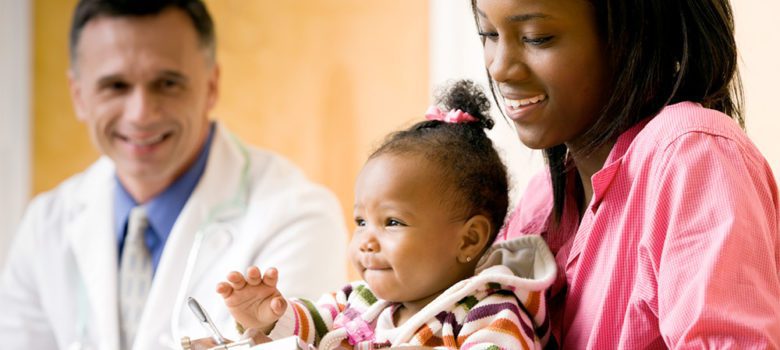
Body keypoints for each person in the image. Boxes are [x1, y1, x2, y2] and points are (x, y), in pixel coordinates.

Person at [0, 1, 347, 349]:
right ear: (79, 96)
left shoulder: (299, 218)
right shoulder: (45, 223)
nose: (140, 115)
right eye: (116, 86)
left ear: (211, 86)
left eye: (167, 83)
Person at [471, 0, 780, 347]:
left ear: (635, 38)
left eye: (537, 37)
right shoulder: (541, 202)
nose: (499, 68)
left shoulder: (692, 156)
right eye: (489, 33)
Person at [213, 81, 558, 349]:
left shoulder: (490, 315)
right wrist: (268, 317)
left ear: (468, 238)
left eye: (392, 222)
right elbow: (311, 326)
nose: (366, 241)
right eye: (361, 222)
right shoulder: (358, 301)